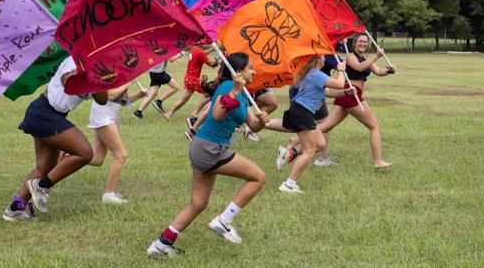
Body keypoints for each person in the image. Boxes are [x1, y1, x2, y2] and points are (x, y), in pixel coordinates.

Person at [147, 53, 270, 258]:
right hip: (210, 149)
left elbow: (252, 126)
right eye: (250, 67)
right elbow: (216, 114)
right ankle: (224, 221)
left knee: (198, 203)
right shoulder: (227, 88)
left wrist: (262, 122)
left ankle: (160, 245)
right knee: (258, 177)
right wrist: (236, 89)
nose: (254, 71)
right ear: (237, 72)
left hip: (204, 148)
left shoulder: (244, 95)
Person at [2, 57, 107, 221]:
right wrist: (88, 71)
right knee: (85, 153)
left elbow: (102, 100)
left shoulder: (99, 69)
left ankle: (14, 209)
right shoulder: (75, 59)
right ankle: (42, 186)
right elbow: (67, 81)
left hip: (49, 115)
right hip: (44, 112)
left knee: (44, 167)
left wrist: (100, 77)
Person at [273, 55, 354, 194]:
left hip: (303, 112)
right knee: (309, 151)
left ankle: (288, 153)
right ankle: (289, 184)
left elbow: (327, 91)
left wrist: (345, 92)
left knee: (320, 144)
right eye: (323, 56)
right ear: (317, 60)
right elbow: (339, 83)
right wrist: (341, 70)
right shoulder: (315, 74)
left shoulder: (313, 74)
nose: (325, 59)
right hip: (302, 113)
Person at [318, 33, 395, 170]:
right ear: (354, 43)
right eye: (360, 41)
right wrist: (377, 55)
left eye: (365, 42)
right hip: (351, 94)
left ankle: (294, 144)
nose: (363, 44)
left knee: (325, 127)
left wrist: (389, 71)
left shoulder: (364, 58)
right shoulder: (350, 57)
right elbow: (359, 67)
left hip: (348, 95)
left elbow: (378, 71)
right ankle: (378, 161)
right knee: (374, 126)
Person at [86, 81, 148, 204]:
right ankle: (108, 195)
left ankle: (67, 155)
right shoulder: (111, 74)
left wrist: (138, 95)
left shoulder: (121, 76)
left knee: (97, 159)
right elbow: (109, 95)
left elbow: (122, 100)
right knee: (121, 155)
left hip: (107, 115)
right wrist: (128, 81)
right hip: (103, 115)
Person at [163, 45, 218, 122]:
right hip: (194, 80)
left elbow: (202, 54)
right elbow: (211, 64)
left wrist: (212, 49)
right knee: (210, 94)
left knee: (183, 100)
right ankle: (196, 113)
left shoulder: (194, 49)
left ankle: (169, 114)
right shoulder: (200, 52)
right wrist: (216, 61)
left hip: (188, 79)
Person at [133, 53, 182, 119]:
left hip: (153, 72)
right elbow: (171, 59)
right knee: (175, 87)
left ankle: (138, 112)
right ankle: (158, 102)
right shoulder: (164, 47)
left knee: (152, 94)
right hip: (159, 73)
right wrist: (181, 54)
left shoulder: (157, 45)